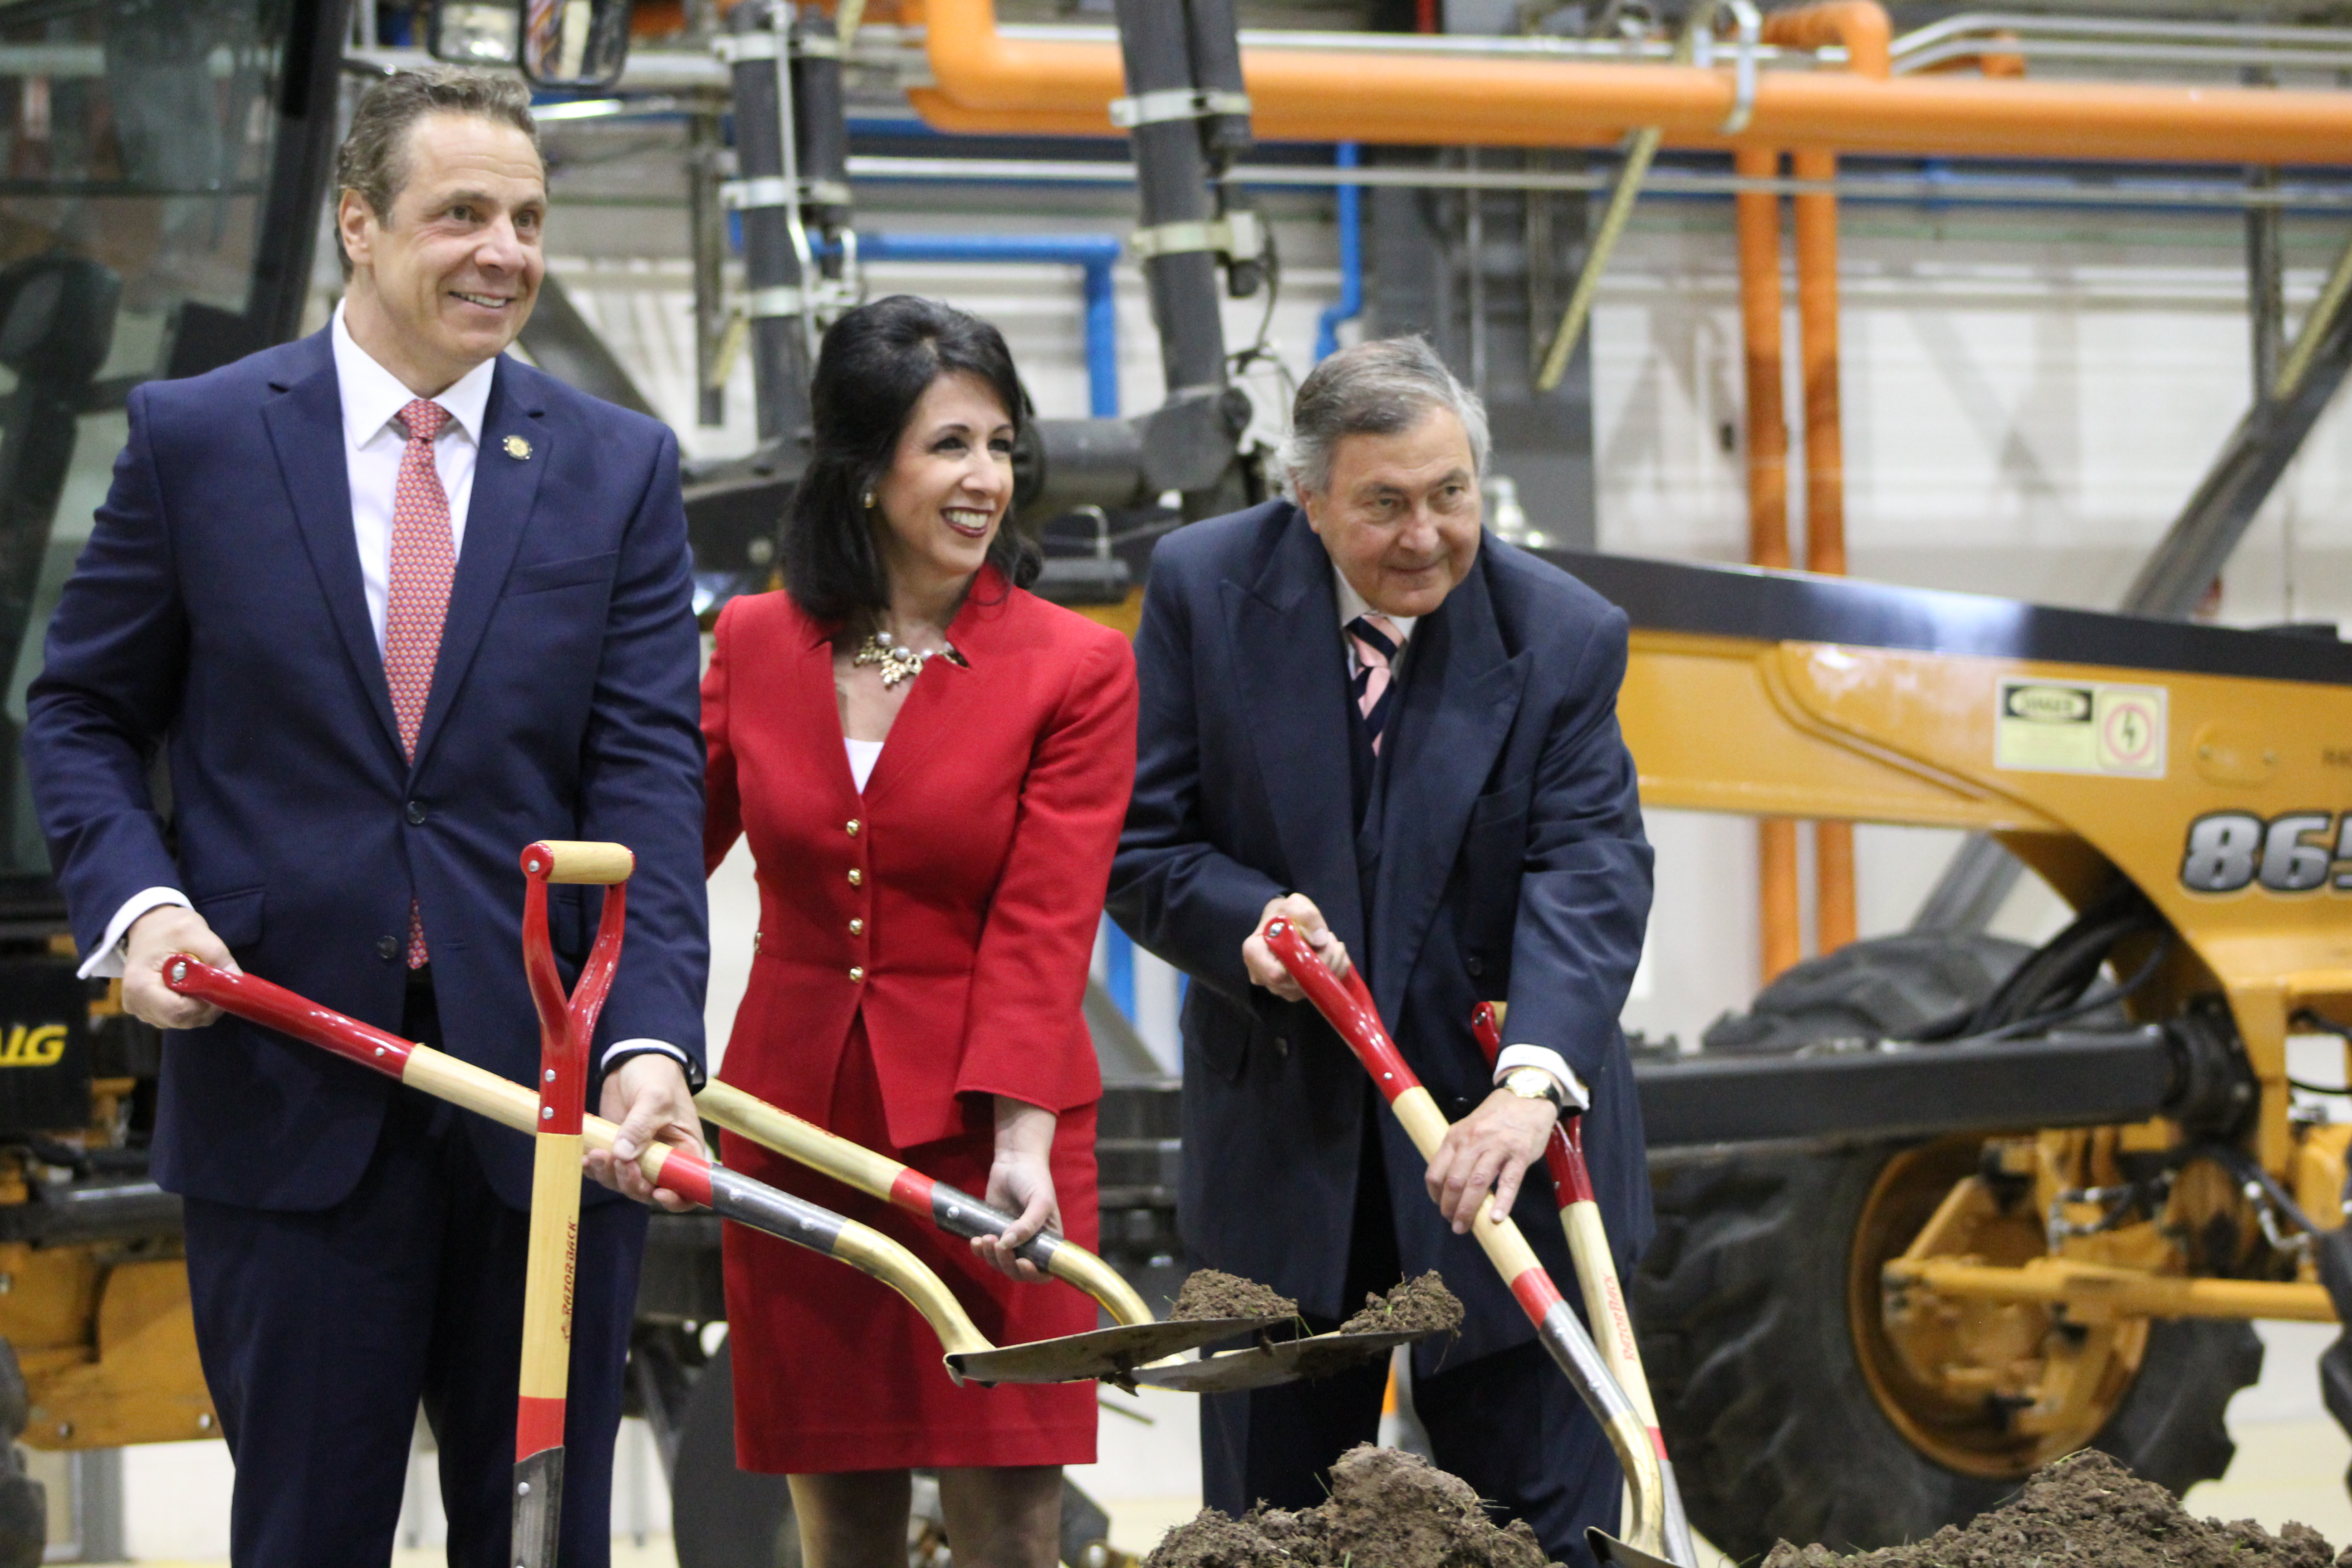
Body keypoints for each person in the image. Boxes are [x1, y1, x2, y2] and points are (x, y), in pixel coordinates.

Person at [23, 69, 708, 1568]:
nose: (504, 250)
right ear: (356, 223)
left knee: (540, 1543)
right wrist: (139, 911)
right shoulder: (197, 439)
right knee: (303, 1537)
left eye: (528, 218)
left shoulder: (615, 468)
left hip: (549, 1109)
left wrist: (653, 1038)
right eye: (461, 212)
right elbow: (79, 714)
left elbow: (652, 775)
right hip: (285, 1084)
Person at [1107, 336, 1653, 1567]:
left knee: (1533, 1541)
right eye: (1385, 504)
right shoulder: (1205, 589)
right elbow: (1143, 842)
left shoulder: (1563, 635)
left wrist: (1531, 1086)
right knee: (1269, 1542)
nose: (1425, 536)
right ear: (1307, 500)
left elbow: (1591, 870)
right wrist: (1244, 928)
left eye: (1450, 495)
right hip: (1285, 1174)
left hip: (1504, 1158)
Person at [702, 294, 1138, 1568]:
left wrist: (1024, 1135)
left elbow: (1048, 920)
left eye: (1001, 446)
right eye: (950, 445)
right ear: (862, 467)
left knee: (1012, 1517)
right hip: (794, 1135)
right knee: (841, 1523)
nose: (985, 479)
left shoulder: (1074, 668)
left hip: (993, 1139)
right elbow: (666, 867)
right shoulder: (752, 642)